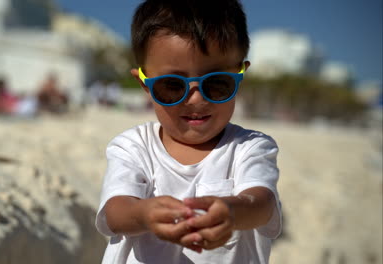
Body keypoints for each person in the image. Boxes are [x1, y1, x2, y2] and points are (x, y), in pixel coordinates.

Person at [95, 0, 282, 263]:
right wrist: (144, 213)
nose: (195, 100)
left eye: (217, 83)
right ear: (144, 84)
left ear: (241, 75)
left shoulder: (250, 147)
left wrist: (231, 211)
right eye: (172, 86)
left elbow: (262, 204)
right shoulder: (133, 147)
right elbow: (115, 213)